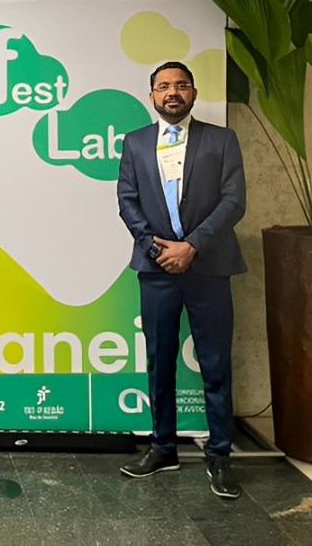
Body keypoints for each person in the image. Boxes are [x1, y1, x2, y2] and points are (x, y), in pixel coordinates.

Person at [115, 61, 247, 499]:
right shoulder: (135, 144)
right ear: (151, 95)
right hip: (156, 272)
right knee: (160, 362)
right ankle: (162, 447)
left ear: (194, 92)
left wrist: (192, 246)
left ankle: (221, 455)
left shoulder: (222, 140)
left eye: (181, 85)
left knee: (215, 363)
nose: (173, 92)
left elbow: (234, 201)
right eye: (163, 86)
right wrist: (159, 250)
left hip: (208, 267)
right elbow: (127, 202)